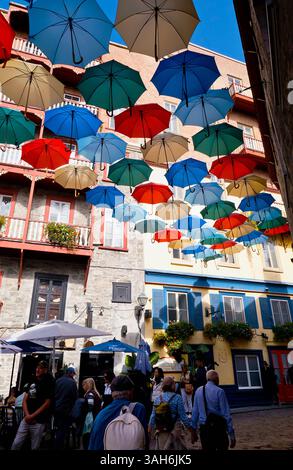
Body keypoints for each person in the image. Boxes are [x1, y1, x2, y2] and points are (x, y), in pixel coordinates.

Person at [88, 375, 147, 450]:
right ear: (130, 391)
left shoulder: (101, 414)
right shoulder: (138, 409)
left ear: (112, 393)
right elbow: (144, 441)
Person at [11, 361, 55, 450]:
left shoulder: (49, 382)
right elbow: (24, 400)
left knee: (35, 446)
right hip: (27, 419)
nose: (37, 369)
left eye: (41, 368)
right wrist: (27, 416)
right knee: (16, 443)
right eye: (37, 367)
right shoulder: (32, 380)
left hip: (39, 420)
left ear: (45, 370)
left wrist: (32, 416)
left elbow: (47, 403)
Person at [191, 370, 236, 451]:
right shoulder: (220, 391)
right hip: (219, 429)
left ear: (207, 379)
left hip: (205, 429)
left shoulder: (198, 391)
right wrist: (231, 435)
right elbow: (226, 415)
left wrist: (193, 431)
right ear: (216, 379)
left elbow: (195, 412)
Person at [149, 376, 194, 450]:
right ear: (173, 385)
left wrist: (149, 431)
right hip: (175, 432)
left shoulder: (157, 399)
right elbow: (184, 418)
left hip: (161, 431)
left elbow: (152, 416)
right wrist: (192, 431)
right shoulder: (177, 398)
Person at [53, 366, 78, 449]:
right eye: (73, 374)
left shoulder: (58, 381)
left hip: (56, 409)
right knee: (62, 430)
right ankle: (59, 446)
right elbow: (75, 397)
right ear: (70, 373)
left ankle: (56, 443)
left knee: (57, 428)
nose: (74, 376)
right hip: (66, 410)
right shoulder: (72, 382)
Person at [81, 378, 102, 450]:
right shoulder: (96, 393)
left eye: (83, 385)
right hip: (96, 417)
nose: (82, 387)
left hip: (90, 419)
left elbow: (90, 406)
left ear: (87, 385)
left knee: (87, 437)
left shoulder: (90, 394)